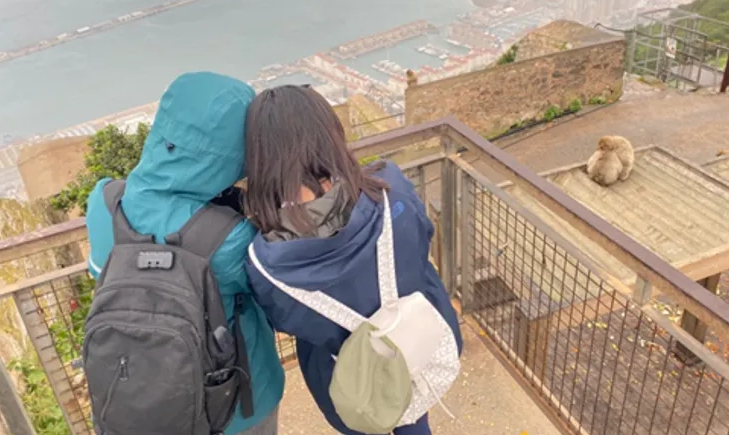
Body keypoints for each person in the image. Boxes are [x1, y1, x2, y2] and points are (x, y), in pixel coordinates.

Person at [244, 85, 463, 435]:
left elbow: (287, 321)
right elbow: (423, 237)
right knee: (413, 411)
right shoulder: (392, 190)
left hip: (349, 382)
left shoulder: (267, 263)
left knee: (372, 418)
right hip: (416, 346)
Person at [84, 72, 285, 434]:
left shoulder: (105, 203)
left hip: (141, 391)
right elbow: (276, 303)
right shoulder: (230, 236)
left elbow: (99, 271)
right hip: (238, 406)